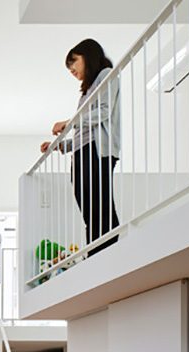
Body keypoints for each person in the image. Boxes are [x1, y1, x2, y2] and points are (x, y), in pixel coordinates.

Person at [41, 38, 121, 256]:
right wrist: (61, 145)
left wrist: (68, 122)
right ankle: (95, 252)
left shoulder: (106, 75)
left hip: (97, 150)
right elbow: (82, 129)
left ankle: (110, 251)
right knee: (87, 207)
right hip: (81, 151)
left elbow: (103, 112)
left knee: (99, 205)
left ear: (88, 55)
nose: (72, 69)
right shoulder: (85, 92)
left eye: (73, 62)